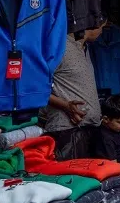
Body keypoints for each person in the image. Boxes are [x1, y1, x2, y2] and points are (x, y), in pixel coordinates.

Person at [43, 25, 104, 160]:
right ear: (92, 23)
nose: (102, 32)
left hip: (89, 130)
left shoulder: (84, 48)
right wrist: (65, 105)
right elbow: (34, 87)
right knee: (71, 178)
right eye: (102, 27)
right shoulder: (59, 46)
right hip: (67, 133)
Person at [95, 95, 120, 183]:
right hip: (115, 177)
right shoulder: (105, 138)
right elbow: (113, 166)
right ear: (105, 119)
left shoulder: (117, 129)